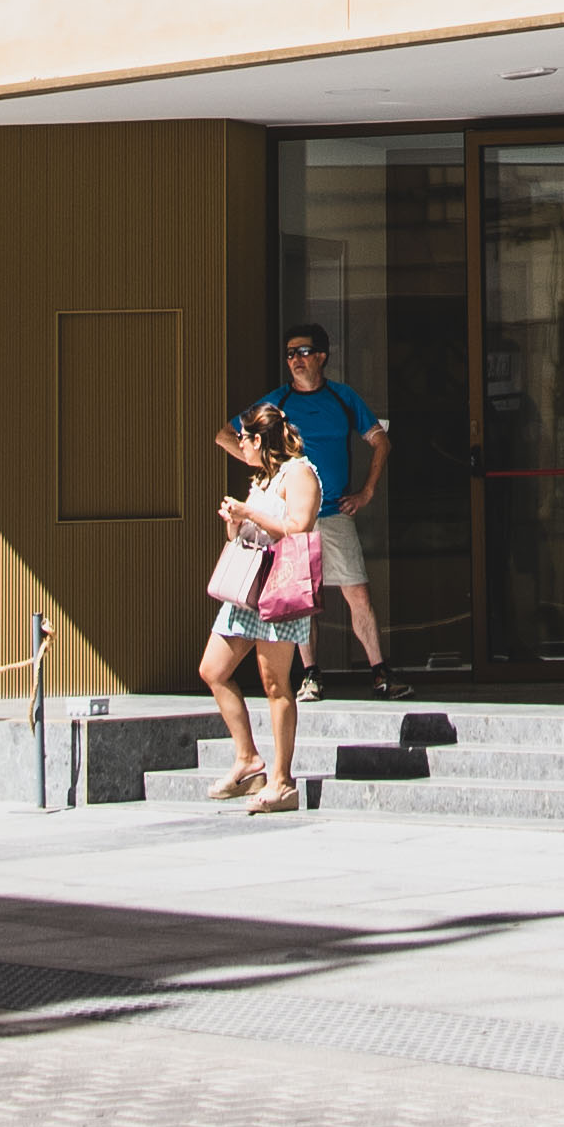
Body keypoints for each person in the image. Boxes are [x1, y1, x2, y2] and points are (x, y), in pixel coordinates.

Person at [196, 400, 320, 815]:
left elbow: (300, 526)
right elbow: (251, 529)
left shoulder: (298, 472)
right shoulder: (263, 478)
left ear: (260, 440)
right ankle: (248, 760)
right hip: (247, 585)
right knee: (213, 670)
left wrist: (250, 511)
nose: (240, 444)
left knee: (274, 683)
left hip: (280, 588)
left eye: (245, 438)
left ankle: (282, 781)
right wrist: (236, 519)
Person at [269, 329, 400, 697]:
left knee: (357, 594)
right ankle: (311, 675)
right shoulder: (278, 401)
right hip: (295, 519)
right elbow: (228, 435)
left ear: (322, 356)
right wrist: (268, 478)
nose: (296, 359)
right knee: (303, 601)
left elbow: (380, 441)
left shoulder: (342, 397)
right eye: (290, 352)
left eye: (304, 351)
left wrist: (367, 491)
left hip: (335, 513)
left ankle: (380, 671)